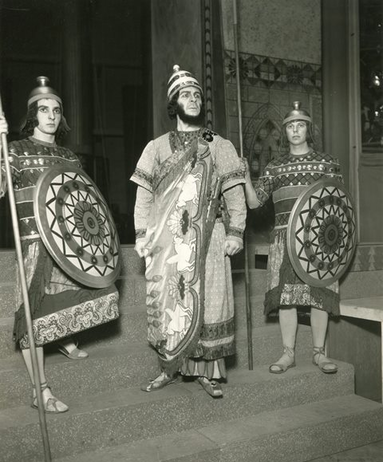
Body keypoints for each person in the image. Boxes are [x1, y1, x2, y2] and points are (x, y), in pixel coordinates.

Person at [0, 76, 119, 412]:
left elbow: (84, 201)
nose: (51, 116)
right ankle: (41, 389)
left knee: (92, 286)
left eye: (56, 110)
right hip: (36, 240)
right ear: (32, 116)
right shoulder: (17, 150)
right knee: (32, 309)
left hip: (72, 243)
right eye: (43, 110)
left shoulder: (69, 155)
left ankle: (64, 337)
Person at [131, 65, 246, 397]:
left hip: (210, 239)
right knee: (171, 305)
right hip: (170, 241)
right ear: (174, 104)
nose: (193, 99)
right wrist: (141, 236)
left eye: (197, 95)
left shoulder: (219, 145)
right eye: (186, 95)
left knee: (208, 304)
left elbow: (235, 192)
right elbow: (144, 196)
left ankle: (207, 372)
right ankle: (169, 368)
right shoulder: (156, 148)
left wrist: (236, 231)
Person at [244, 101, 342, 374]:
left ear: (308, 129)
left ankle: (319, 353)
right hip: (284, 240)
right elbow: (254, 203)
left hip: (319, 239)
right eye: (290, 126)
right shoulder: (275, 168)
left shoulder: (327, 163)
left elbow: (338, 206)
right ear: (284, 132)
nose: (295, 130)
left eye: (300, 125)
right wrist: (244, 178)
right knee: (286, 297)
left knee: (318, 295)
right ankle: (288, 354)